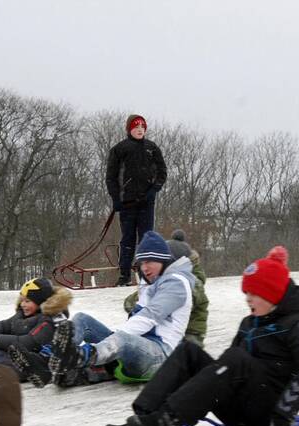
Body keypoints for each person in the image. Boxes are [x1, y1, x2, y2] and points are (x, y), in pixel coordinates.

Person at [102, 246, 299, 426]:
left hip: (269, 415)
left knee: (235, 358)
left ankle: (163, 422)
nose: (248, 299)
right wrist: (197, 396)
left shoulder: (296, 325)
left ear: (273, 294)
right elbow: (223, 373)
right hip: (239, 411)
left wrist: (285, 410)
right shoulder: (249, 324)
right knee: (189, 352)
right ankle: (146, 418)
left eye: (254, 294)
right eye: (246, 293)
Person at [45, 231, 195, 387]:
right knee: (82, 320)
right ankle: (56, 356)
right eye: (141, 263)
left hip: (159, 356)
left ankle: (79, 357)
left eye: (149, 261)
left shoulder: (177, 283)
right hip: (137, 346)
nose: (145, 268)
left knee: (122, 339)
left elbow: (149, 317)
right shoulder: (152, 282)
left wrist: (115, 339)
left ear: (163, 260)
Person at [106, 114, 168, 286]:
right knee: (127, 238)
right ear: (129, 129)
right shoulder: (119, 149)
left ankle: (144, 274)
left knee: (146, 238)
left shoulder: (152, 148)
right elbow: (111, 177)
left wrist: (154, 189)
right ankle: (124, 275)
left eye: (142, 127)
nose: (140, 129)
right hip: (127, 202)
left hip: (147, 201)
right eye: (136, 127)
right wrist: (116, 198)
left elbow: (162, 172)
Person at [123, 229, 209, 347]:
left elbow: (164, 303)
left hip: (190, 335)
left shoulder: (189, 285)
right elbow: (133, 302)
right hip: (165, 333)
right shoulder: (162, 280)